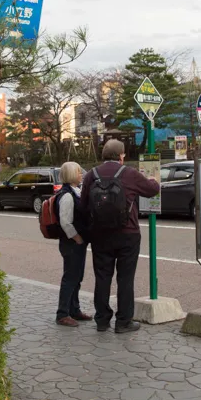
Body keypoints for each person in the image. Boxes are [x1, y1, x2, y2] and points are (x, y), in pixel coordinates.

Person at [79, 139, 160, 334]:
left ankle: (102, 320)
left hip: (100, 235)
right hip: (128, 234)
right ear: (121, 156)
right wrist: (154, 180)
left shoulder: (91, 175)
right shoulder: (130, 174)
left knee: (102, 277)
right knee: (125, 278)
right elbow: (152, 190)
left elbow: (83, 205)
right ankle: (123, 321)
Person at [55, 161, 92, 327]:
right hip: (71, 243)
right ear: (71, 175)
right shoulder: (67, 195)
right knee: (70, 277)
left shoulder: (74, 192)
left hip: (76, 243)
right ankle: (63, 313)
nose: (81, 174)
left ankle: (74, 309)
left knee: (77, 277)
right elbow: (65, 221)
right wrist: (77, 237)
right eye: (78, 172)